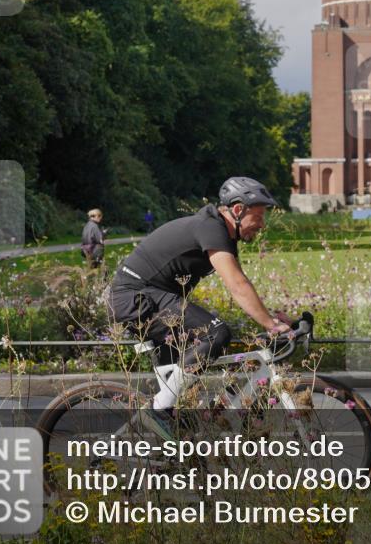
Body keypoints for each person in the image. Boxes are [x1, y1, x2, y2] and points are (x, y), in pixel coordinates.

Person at [106, 177, 291, 427]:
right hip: (136, 298)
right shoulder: (211, 227)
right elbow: (237, 285)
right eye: (258, 217)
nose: (261, 225)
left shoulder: (220, 233)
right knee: (215, 333)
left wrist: (273, 317)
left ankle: (174, 432)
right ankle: (158, 411)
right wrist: (271, 324)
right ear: (238, 210)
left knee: (186, 413)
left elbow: (241, 283)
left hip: (150, 298)